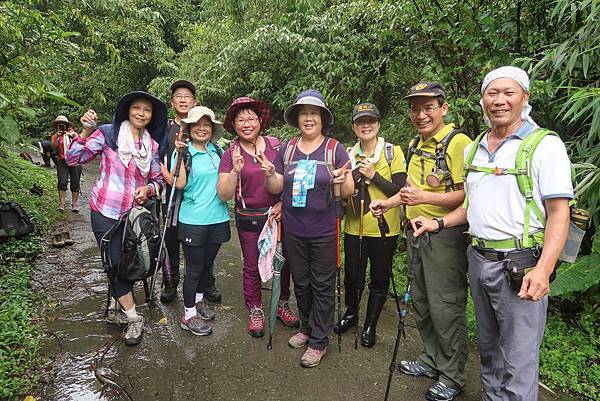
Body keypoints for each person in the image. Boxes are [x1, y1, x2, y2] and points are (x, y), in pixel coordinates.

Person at [409, 67, 572, 401]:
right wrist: (437, 223)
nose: (499, 101)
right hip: (479, 259)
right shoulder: (477, 148)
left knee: (519, 360)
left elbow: (559, 212)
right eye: (492, 93)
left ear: (524, 98)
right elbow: (473, 206)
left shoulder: (544, 145)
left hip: (521, 265)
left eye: (508, 93)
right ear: (482, 100)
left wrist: (544, 269)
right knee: (490, 352)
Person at [371, 82, 471, 401]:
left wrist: (426, 197)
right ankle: (432, 359)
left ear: (443, 108)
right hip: (416, 232)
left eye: (428, 107)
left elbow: (470, 195)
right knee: (424, 304)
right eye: (415, 108)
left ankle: (453, 375)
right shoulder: (417, 143)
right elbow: (409, 190)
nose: (421, 114)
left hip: (445, 234)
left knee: (446, 306)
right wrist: (387, 204)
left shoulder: (458, 143)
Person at [259, 89, 353, 368]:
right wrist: (269, 173)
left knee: (323, 285)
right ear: (298, 118)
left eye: (314, 113)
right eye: (304, 113)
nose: (308, 118)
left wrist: (342, 178)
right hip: (294, 229)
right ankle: (307, 327)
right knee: (301, 282)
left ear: (322, 118)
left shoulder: (335, 149)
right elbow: (276, 186)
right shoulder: (287, 149)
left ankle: (319, 341)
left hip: (325, 231)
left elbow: (348, 190)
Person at [66, 91, 167, 346]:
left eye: (147, 110)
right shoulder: (108, 134)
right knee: (114, 262)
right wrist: (85, 132)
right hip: (104, 211)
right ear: (127, 111)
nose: (141, 113)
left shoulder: (151, 146)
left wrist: (149, 190)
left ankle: (118, 301)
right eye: (137, 108)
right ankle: (133, 317)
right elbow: (73, 158)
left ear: (151, 116)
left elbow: (157, 182)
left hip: (132, 217)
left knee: (132, 260)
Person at [217, 96, 299, 338]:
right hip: (249, 217)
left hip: (278, 216)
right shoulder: (231, 152)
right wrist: (235, 171)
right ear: (234, 124)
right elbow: (223, 194)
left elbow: (289, 182)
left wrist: (283, 203)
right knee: (251, 266)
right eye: (240, 119)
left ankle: (281, 303)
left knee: (283, 263)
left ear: (260, 121)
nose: (246, 123)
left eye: (251, 118)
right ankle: (255, 308)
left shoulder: (277, 146)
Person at [335, 102, 406, 348]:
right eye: (360, 122)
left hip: (385, 227)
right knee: (353, 276)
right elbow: (343, 191)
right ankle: (352, 313)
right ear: (354, 126)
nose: (366, 126)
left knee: (379, 277)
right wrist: (352, 175)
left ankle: (370, 324)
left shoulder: (392, 152)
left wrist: (373, 175)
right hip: (354, 226)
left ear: (378, 124)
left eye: (371, 121)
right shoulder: (348, 154)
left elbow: (399, 189)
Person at [171, 106, 231, 336]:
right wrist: (178, 155)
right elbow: (179, 185)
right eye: (197, 125)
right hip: (193, 219)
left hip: (218, 217)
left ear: (212, 129)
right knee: (194, 269)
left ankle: (197, 302)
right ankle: (188, 315)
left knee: (206, 267)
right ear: (189, 129)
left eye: (206, 125)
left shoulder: (217, 150)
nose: (202, 128)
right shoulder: (183, 153)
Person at [158, 79, 199, 303]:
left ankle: (204, 281)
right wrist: (163, 177)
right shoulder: (164, 128)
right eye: (178, 96)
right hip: (170, 195)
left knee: (198, 240)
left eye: (188, 96)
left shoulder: (201, 126)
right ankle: (170, 281)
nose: (183, 99)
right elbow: (156, 158)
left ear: (195, 101)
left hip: (197, 196)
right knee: (170, 238)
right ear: (172, 101)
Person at [51, 115, 82, 212]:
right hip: (62, 161)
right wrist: (57, 136)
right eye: (59, 124)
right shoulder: (55, 136)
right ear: (56, 126)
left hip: (75, 161)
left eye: (63, 124)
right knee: (62, 182)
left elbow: (80, 144)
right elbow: (53, 147)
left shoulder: (74, 134)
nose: (61, 126)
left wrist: (71, 136)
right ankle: (62, 204)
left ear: (67, 125)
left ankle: (74, 204)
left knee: (75, 183)